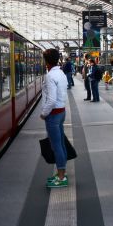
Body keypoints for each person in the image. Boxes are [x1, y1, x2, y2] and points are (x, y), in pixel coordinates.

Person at [40, 48, 69, 188]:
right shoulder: (61, 73)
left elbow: (51, 100)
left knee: (56, 145)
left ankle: (62, 177)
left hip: (53, 114)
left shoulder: (50, 76)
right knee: (61, 143)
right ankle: (61, 172)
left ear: (46, 61)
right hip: (61, 111)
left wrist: (44, 113)